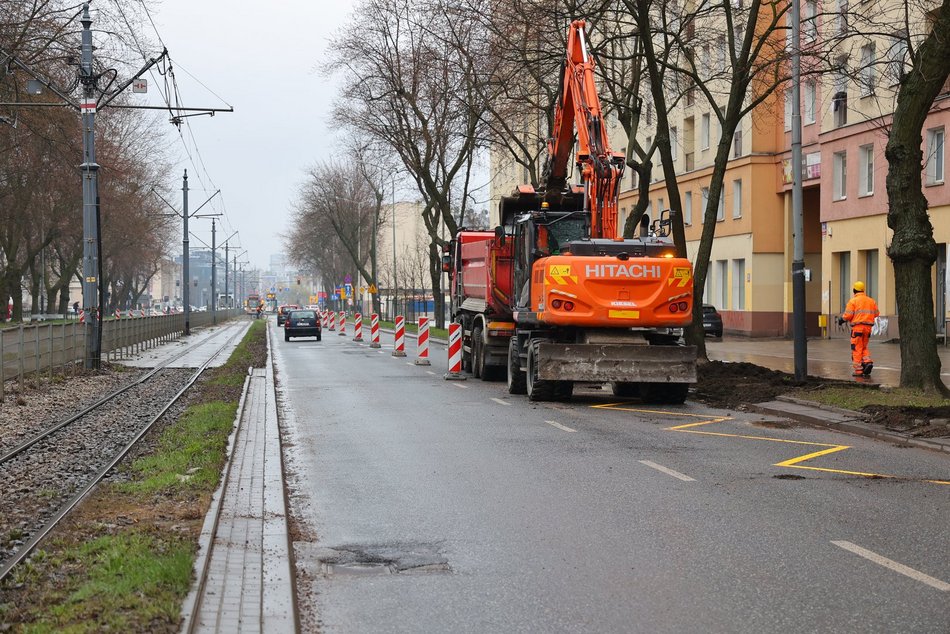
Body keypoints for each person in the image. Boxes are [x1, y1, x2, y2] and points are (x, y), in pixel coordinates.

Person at [837, 281, 879, 377]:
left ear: (854, 290)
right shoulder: (871, 301)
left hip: (858, 328)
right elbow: (876, 313)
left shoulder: (853, 301)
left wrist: (841, 320)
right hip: (868, 329)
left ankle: (858, 371)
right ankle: (868, 362)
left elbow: (848, 315)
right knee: (863, 347)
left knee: (856, 348)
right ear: (863, 290)